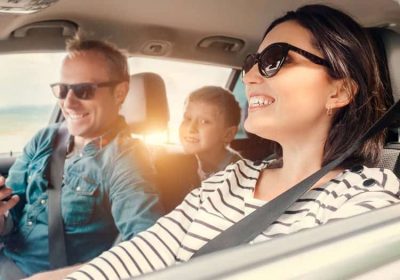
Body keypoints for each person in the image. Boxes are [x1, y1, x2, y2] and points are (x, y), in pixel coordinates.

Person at [28, 4, 400, 280]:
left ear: (339, 91)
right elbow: (135, 258)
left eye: (274, 60)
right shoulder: (227, 182)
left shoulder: (365, 199)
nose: (250, 75)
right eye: (252, 60)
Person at [0, 37, 164, 278]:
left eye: (83, 90)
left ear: (120, 93)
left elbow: (145, 246)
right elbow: (12, 209)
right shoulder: (44, 139)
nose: (68, 103)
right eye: (62, 89)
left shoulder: (126, 159)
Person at [179, 86, 242, 181]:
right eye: (188, 119)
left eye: (204, 121)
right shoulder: (185, 163)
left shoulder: (238, 174)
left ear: (228, 134)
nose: (191, 128)